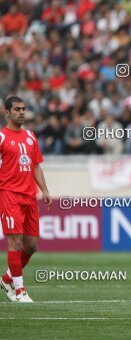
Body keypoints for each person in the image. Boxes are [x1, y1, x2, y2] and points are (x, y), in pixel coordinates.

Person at [0, 96, 52, 302]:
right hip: (9, 194)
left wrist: (45, 190)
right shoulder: (2, 137)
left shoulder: (30, 136)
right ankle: (19, 291)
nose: (22, 112)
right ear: (7, 113)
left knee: (31, 246)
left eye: (24, 109)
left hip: (29, 196)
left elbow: (36, 166)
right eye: (17, 109)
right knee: (14, 241)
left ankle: (6, 278)